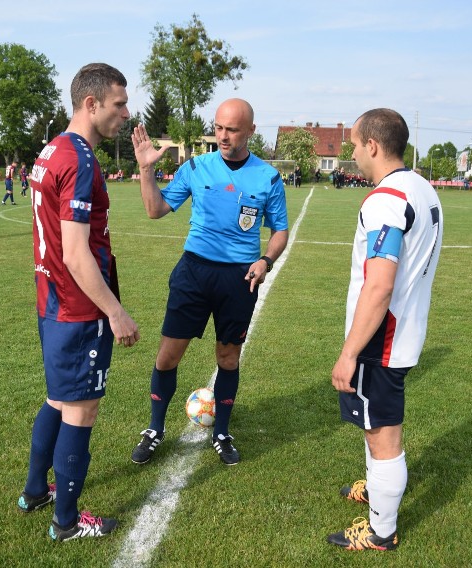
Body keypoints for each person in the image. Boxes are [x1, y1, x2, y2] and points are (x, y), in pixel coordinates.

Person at [129, 98, 289, 466]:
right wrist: (145, 170)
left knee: (227, 357)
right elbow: (155, 210)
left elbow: (279, 231)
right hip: (194, 273)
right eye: (218, 127)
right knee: (168, 355)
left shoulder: (267, 177)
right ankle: (155, 429)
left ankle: (222, 432)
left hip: (239, 278)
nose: (223, 136)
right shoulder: (196, 167)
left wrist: (266, 261)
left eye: (232, 129)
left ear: (250, 130)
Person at [20, 62, 138, 542]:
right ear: (91, 104)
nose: (126, 114)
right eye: (119, 104)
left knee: (57, 398)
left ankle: (35, 491)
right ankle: (66, 522)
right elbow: (75, 251)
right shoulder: (80, 159)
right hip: (77, 307)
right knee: (81, 409)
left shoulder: (51, 148)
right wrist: (114, 310)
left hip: (50, 302)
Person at [326, 109, 443, 552]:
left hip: (383, 338)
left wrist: (349, 352)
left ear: (373, 145)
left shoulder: (386, 201)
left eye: (355, 145)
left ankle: (381, 531)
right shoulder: (421, 186)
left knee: (382, 433)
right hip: (405, 329)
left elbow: (379, 284)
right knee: (375, 425)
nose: (353, 153)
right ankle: (377, 491)